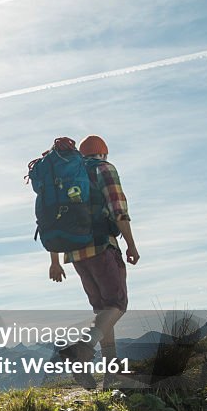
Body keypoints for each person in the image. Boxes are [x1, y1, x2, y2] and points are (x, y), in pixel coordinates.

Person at [48, 135, 139, 390]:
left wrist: (54, 261)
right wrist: (131, 244)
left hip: (74, 253)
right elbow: (118, 209)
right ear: (104, 153)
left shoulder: (65, 177)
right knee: (117, 304)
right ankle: (83, 351)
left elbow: (52, 220)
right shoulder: (104, 169)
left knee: (102, 311)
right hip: (101, 246)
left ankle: (113, 373)